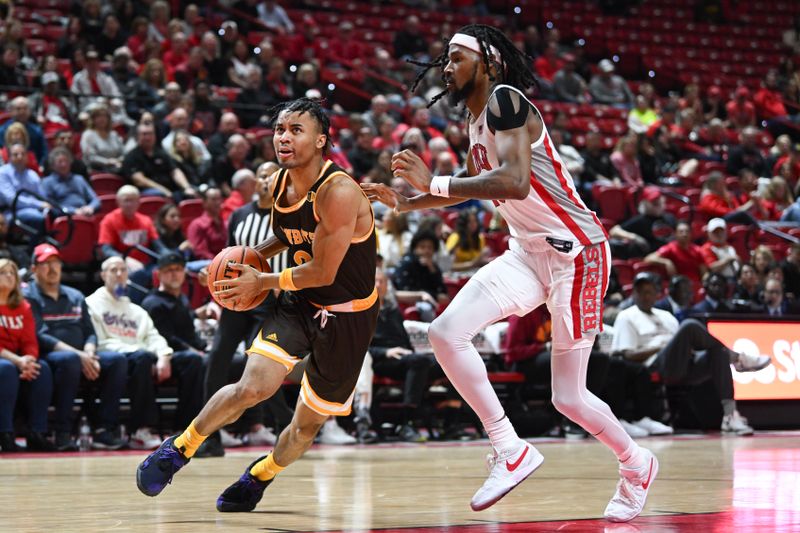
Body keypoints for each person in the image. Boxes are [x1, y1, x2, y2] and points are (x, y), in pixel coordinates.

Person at [362, 25, 655, 521]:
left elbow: (515, 183)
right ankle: (509, 447)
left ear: (489, 63)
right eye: (446, 59)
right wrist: (410, 203)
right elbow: (477, 186)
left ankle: (636, 463)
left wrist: (431, 180)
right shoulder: (479, 119)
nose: (446, 67)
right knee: (445, 332)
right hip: (526, 252)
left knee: (569, 398)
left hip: (576, 253)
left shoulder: (506, 100)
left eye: (456, 58)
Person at [136, 98, 379, 513]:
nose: (284, 136)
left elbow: (322, 269)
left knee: (303, 428)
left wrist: (261, 279)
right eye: (280, 129)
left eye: (296, 130)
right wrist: (235, 265)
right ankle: (179, 448)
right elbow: (290, 236)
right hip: (300, 302)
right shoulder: (283, 183)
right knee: (253, 386)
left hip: (348, 318)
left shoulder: (338, 192)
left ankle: (260, 474)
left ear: (321, 140)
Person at [193, 162, 290, 458]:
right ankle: (211, 438)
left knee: (257, 365)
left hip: (270, 299)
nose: (265, 179)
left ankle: (284, 419)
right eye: (261, 175)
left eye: (271, 175)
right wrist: (212, 275)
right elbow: (228, 256)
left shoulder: (286, 215)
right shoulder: (239, 215)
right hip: (237, 298)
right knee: (216, 358)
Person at [611, 272, 771, 436]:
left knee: (718, 352)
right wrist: (660, 347)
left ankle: (730, 416)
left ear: (657, 295)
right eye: (641, 292)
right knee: (689, 325)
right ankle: (739, 359)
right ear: (634, 294)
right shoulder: (626, 316)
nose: (646, 296)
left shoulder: (666, 316)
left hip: (684, 364)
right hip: (656, 367)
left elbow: (683, 345)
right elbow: (628, 355)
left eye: (650, 292)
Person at [87, 256, 204, 450]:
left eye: (123, 270)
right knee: (142, 358)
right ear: (102, 275)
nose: (119, 274)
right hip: (117, 357)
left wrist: (164, 355)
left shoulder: (135, 309)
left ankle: (184, 429)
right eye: (113, 270)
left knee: (192, 360)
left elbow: (154, 336)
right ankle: (141, 429)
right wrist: (143, 352)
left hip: (145, 356)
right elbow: (101, 341)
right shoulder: (92, 304)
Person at [24, 244, 127, 451]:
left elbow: (89, 331)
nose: (52, 269)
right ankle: (63, 432)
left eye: (56, 263)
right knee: (70, 361)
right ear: (34, 269)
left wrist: (89, 351)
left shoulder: (75, 295)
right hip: (49, 355)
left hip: (81, 354)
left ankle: (104, 430)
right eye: (46, 264)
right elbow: (40, 335)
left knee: (117, 360)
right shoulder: (28, 297)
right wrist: (79, 355)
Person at [370, 266, 437, 442]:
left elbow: (405, 340)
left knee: (448, 363)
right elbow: (357, 350)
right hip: (380, 360)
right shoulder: (359, 312)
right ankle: (407, 422)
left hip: (405, 358)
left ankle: (453, 420)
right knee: (418, 362)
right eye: (374, 281)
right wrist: (386, 352)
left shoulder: (393, 310)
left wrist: (412, 352)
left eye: (381, 281)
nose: (378, 285)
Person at [0, 258, 53, 452]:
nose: (9, 276)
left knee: (43, 369)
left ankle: (36, 433)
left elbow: (30, 341)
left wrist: (29, 360)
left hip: (18, 359)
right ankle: (5, 433)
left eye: (12, 273)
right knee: (5, 370)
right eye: (4, 272)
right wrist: (17, 360)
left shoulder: (23, 307)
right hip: (7, 360)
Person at [41, 148, 100, 217]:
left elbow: (95, 199)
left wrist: (90, 207)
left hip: (85, 214)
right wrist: (74, 211)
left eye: (66, 161)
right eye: (60, 162)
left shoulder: (79, 179)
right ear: (53, 166)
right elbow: (51, 206)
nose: (64, 164)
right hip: (65, 218)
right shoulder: (47, 182)